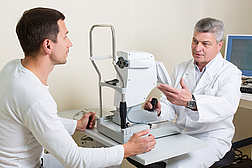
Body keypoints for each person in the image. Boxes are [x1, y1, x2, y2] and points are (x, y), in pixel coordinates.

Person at [0, 7, 156, 168]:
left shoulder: (12, 69)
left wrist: (76, 125)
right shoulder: (35, 96)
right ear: (48, 45)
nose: (70, 43)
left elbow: (42, 119)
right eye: (65, 36)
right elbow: (75, 159)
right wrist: (127, 149)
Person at [144, 17, 242, 167]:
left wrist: (191, 102)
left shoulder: (230, 73)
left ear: (219, 45)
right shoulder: (181, 68)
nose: (197, 48)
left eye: (205, 43)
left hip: (211, 138)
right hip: (181, 133)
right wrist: (159, 109)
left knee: (178, 166)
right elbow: (171, 105)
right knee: (141, 152)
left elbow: (227, 106)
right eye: (195, 41)